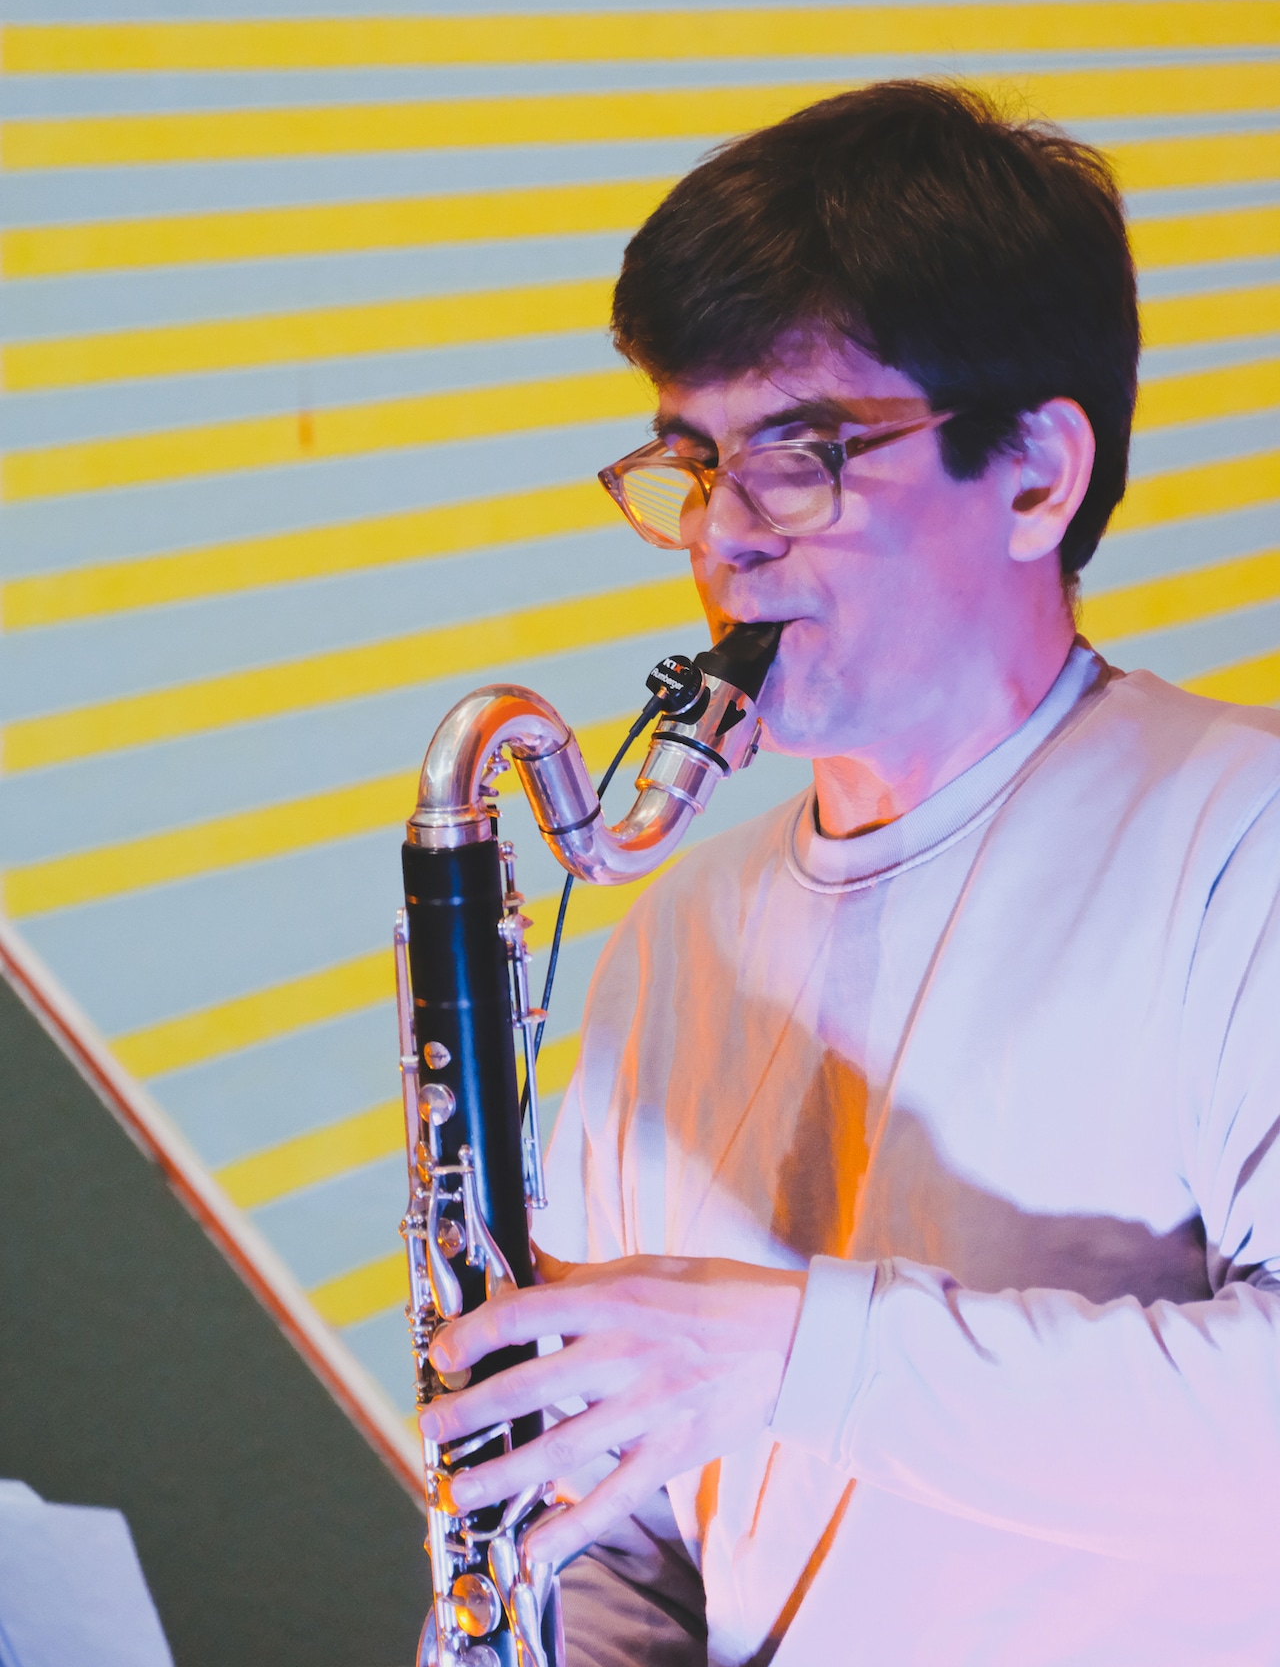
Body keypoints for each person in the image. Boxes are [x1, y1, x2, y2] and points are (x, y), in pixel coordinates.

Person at [418, 82, 1280, 1665]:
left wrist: (796, 1357)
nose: (723, 539)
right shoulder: (677, 938)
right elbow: (627, 1544)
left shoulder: (1243, 838)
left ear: (1037, 475)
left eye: (801, 455)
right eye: (694, 461)